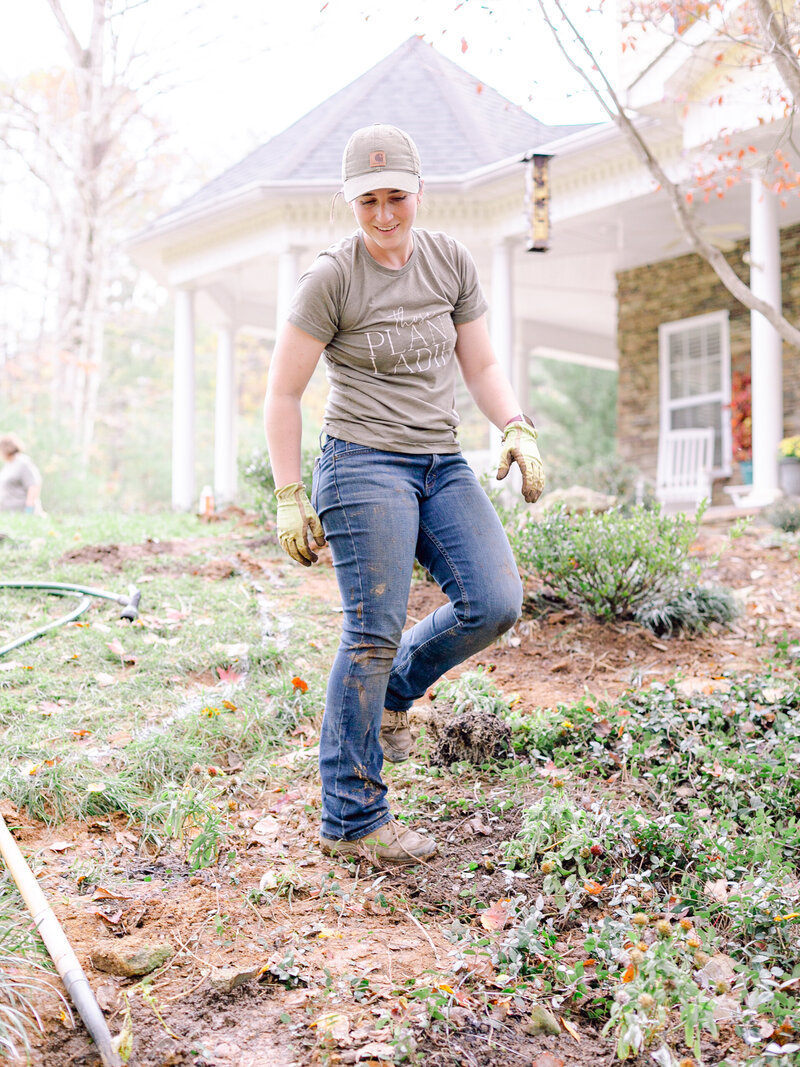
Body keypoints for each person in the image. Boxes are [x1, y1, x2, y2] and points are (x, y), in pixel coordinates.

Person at [264, 124, 544, 866]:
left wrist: (515, 425)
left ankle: (392, 696)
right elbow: (283, 392)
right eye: (368, 201)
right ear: (349, 201)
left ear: (419, 191)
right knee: (371, 629)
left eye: (395, 197)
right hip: (362, 465)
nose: (384, 215)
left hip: (439, 461)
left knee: (495, 600)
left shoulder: (449, 260)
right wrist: (289, 491)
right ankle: (352, 817)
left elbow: (480, 365)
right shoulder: (332, 278)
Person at [0, 433, 44, 514]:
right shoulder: (8, 465)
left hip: (22, 513)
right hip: (8, 513)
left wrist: (29, 508)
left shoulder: (22, 462)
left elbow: (33, 485)